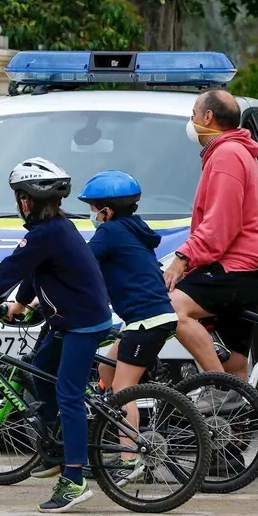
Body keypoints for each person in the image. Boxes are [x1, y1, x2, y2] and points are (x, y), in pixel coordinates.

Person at [0, 158, 114, 514]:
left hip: (80, 324)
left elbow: (8, 270)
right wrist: (19, 304)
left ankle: (74, 478)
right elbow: (33, 270)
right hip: (68, 319)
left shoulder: (46, 234)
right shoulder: (55, 230)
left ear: (26, 201)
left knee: (68, 395)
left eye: (19, 197)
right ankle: (57, 448)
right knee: (39, 369)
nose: (19, 204)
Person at [162, 89, 258, 383]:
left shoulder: (227, 154)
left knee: (173, 308)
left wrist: (182, 258)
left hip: (237, 270)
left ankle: (217, 384)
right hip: (249, 271)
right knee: (236, 363)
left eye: (193, 114)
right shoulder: (235, 151)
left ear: (208, 117)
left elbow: (219, 226)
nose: (192, 121)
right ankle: (241, 416)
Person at [78, 169, 177, 481]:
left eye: (93, 209)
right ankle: (106, 420)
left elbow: (81, 264)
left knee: (123, 391)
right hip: (154, 318)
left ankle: (129, 460)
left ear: (106, 211)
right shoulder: (134, 228)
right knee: (107, 369)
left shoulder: (109, 232)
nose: (91, 215)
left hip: (145, 322)